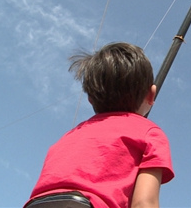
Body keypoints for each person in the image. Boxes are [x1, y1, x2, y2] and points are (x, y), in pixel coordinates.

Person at [24, 42, 174, 208]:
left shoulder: (68, 136)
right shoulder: (150, 133)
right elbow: (145, 203)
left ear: (90, 98)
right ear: (151, 95)